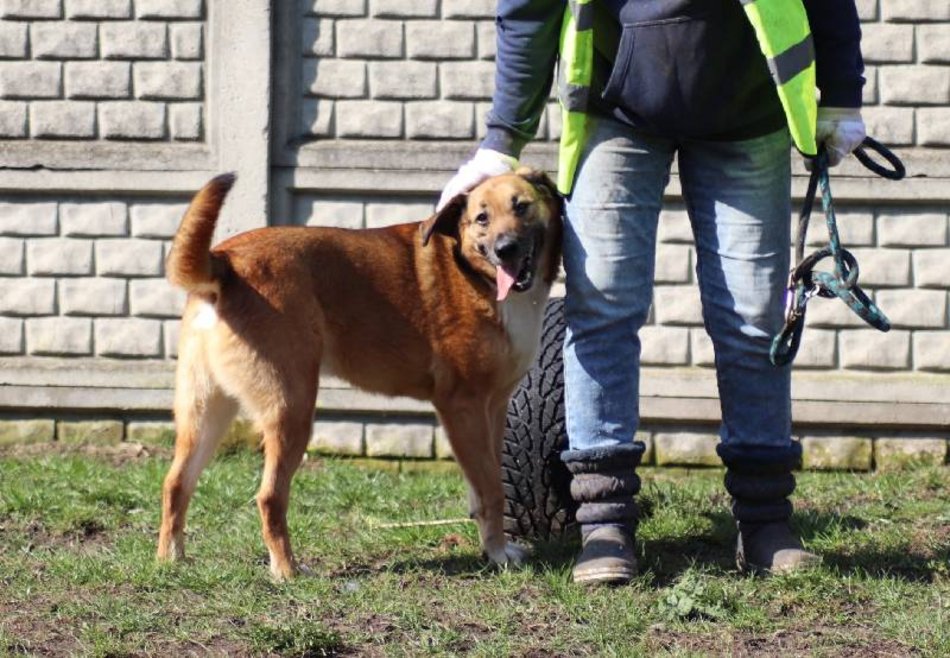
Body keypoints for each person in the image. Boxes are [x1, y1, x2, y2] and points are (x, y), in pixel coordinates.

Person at [438, 0, 867, 585]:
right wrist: (503, 135)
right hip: (617, 110)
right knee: (602, 308)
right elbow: (529, 7)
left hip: (748, 111)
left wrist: (842, 95)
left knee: (753, 318)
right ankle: (605, 524)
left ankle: (766, 523)